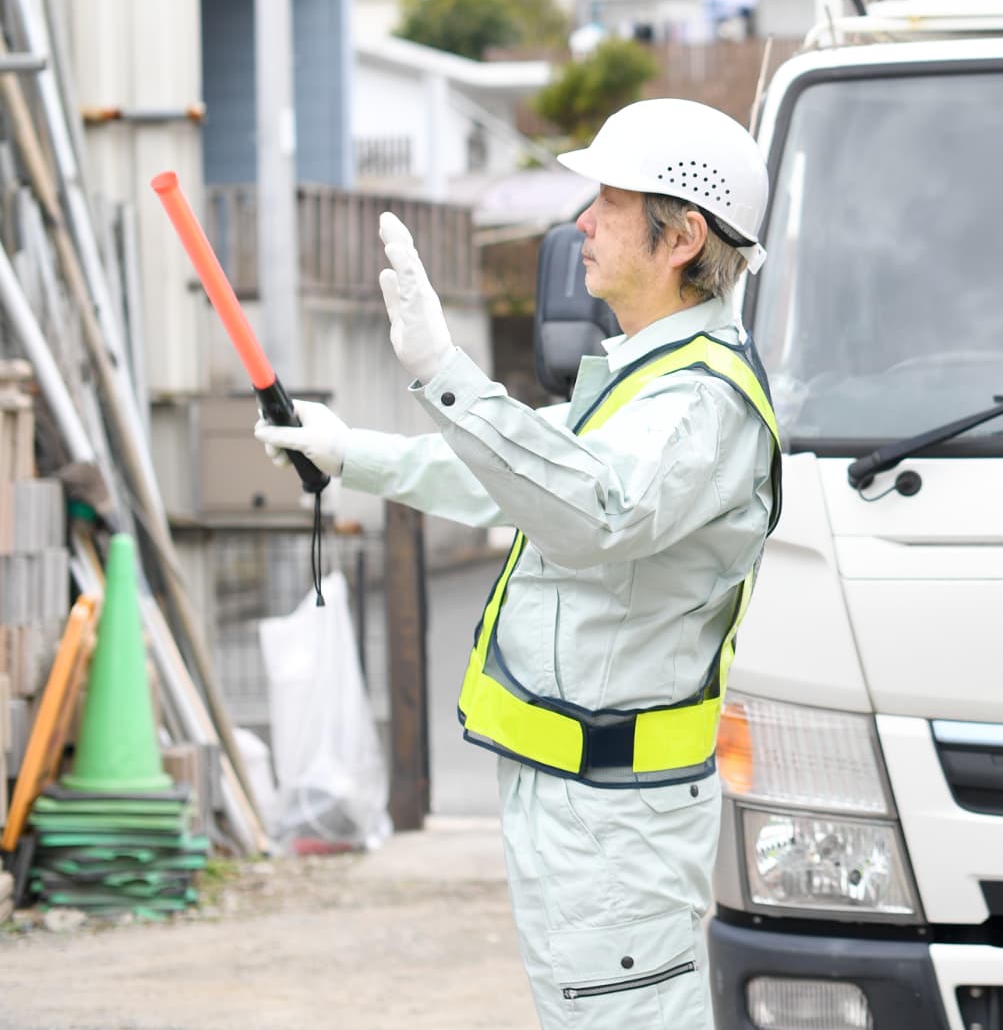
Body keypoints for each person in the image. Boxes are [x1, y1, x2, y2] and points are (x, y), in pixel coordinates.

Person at [253, 99, 782, 1029]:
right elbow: (516, 476)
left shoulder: (702, 403)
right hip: (584, 803)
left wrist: (444, 368)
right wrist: (349, 452)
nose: (581, 222)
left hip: (618, 818)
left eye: (609, 201)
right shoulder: (643, 377)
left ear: (681, 235)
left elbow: (590, 509)